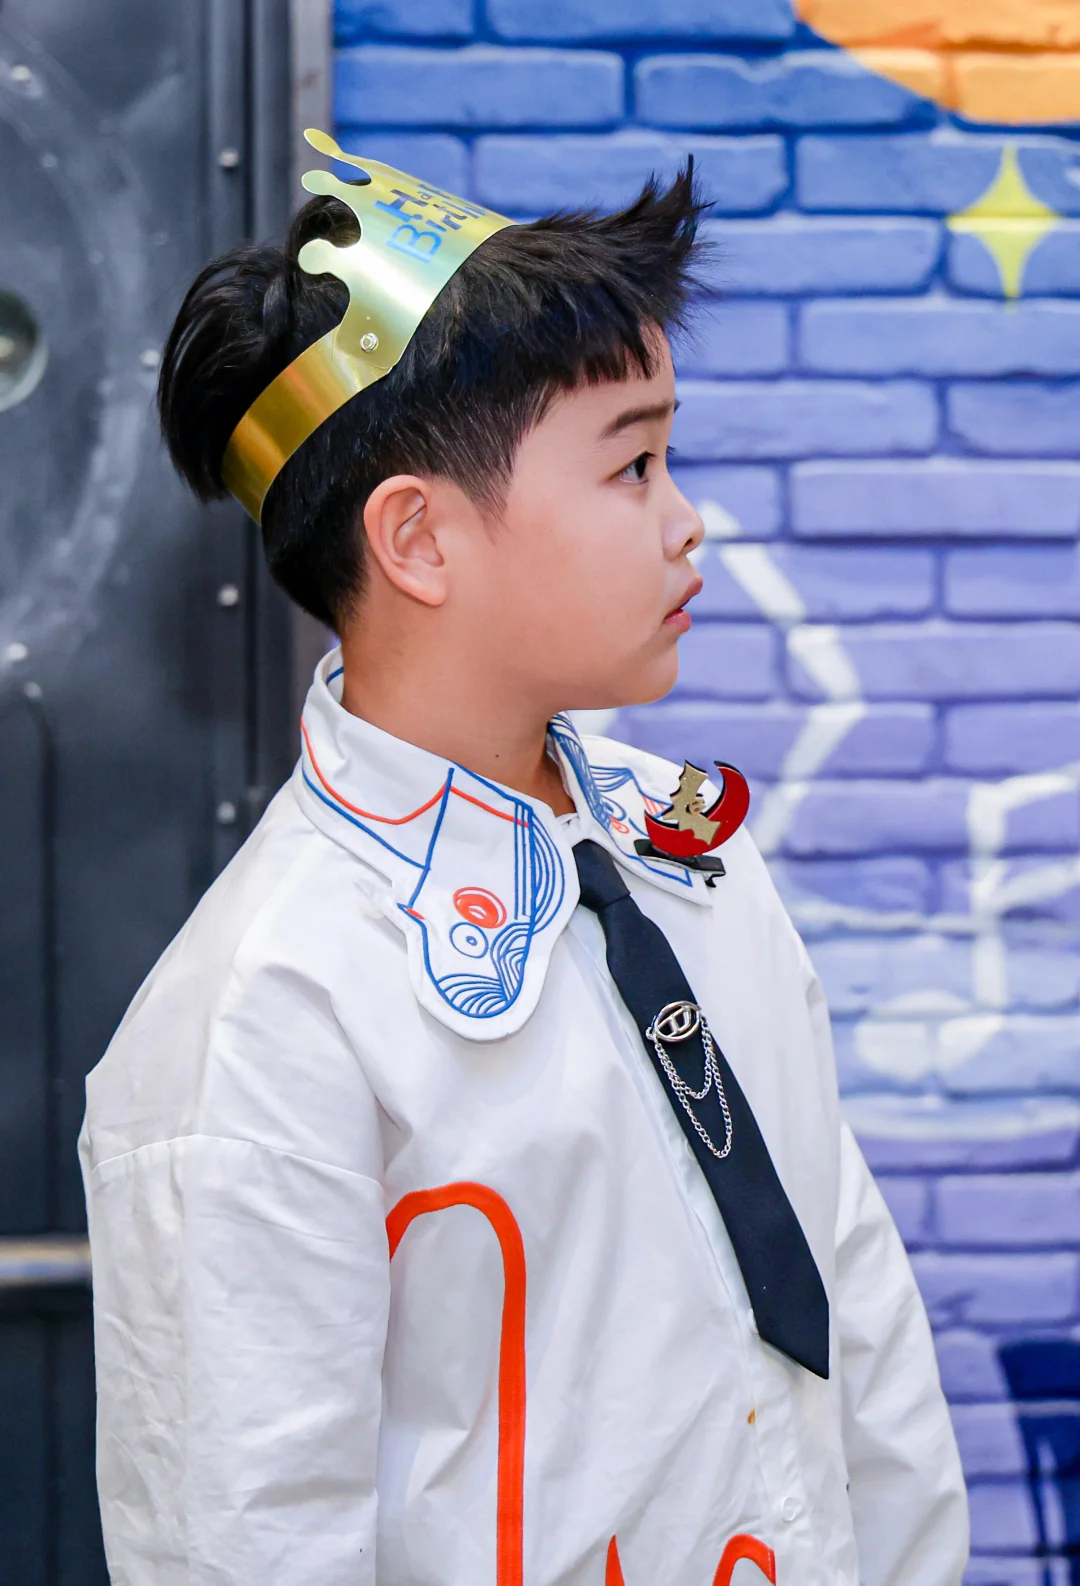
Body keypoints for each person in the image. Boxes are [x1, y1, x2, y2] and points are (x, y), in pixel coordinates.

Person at [79, 133, 968, 1585]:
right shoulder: (267, 1010)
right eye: (633, 465)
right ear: (419, 540)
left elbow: (852, 1298)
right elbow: (245, 1538)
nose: (687, 521)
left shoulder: (691, 856)